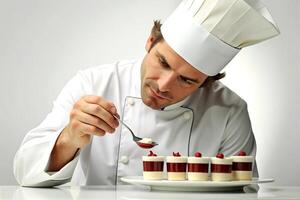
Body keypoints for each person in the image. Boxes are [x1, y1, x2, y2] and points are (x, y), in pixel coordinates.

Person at [14, 0, 279, 187]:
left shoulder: (229, 112)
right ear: (150, 41)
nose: (164, 85)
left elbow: (243, 192)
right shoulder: (94, 83)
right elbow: (25, 173)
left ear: (206, 82)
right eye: (163, 62)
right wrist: (69, 138)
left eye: (186, 80)